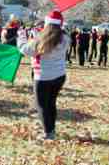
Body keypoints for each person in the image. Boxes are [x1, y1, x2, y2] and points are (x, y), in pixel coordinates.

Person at [17, 10, 70, 140]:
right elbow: (49, 40)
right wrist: (36, 35)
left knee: (41, 106)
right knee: (51, 103)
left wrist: (22, 36)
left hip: (43, 77)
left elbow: (25, 50)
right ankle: (51, 129)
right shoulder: (65, 38)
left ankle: (48, 133)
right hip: (59, 76)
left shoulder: (41, 39)